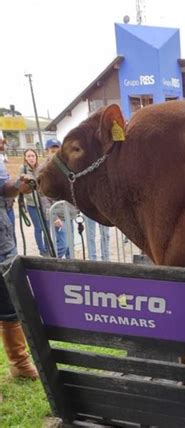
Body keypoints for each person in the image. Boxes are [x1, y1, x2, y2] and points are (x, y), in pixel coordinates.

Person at [0, 159, 38, 401]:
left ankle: (19, 363)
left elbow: (3, 187)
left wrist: (18, 186)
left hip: (2, 243)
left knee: (9, 307)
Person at [44, 138, 78, 258]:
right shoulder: (45, 171)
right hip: (57, 214)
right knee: (62, 245)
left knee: (70, 247)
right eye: (52, 150)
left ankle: (70, 272)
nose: (54, 153)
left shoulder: (64, 169)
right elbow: (43, 198)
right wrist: (54, 217)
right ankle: (50, 264)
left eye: (57, 150)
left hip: (68, 213)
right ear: (47, 151)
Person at [19, 149, 48, 255]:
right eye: (29, 156)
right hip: (32, 204)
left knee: (47, 225)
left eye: (33, 156)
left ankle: (47, 247)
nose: (31, 158)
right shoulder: (23, 170)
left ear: (36, 157)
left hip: (43, 203)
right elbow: (18, 186)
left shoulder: (41, 168)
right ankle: (42, 250)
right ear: (25, 158)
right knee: (39, 227)